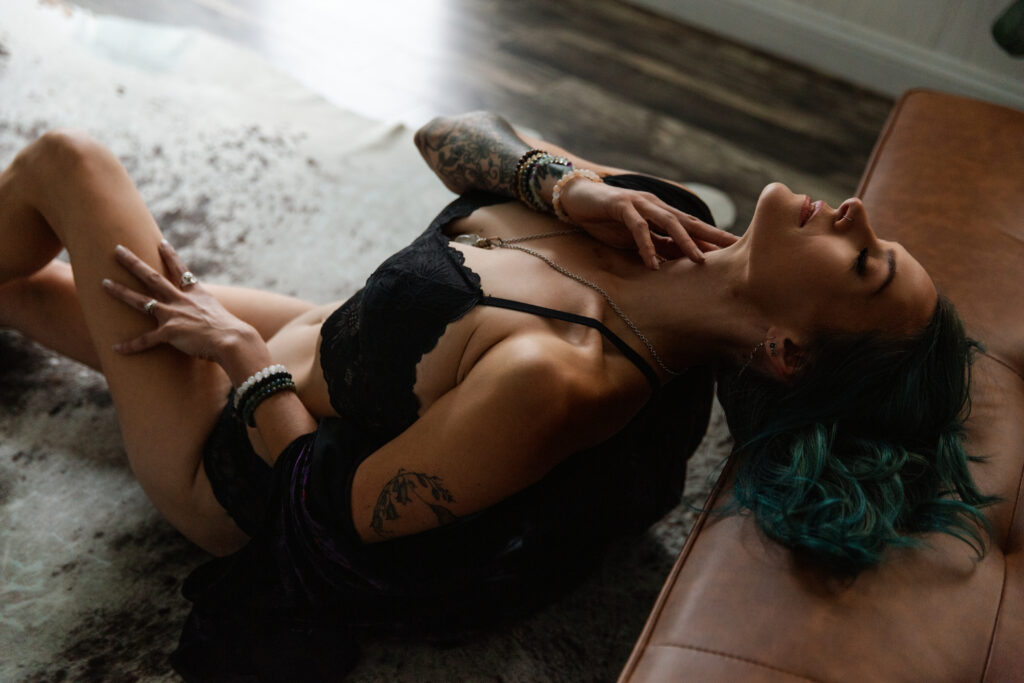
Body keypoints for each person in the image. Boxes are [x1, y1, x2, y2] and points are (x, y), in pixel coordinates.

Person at [0, 111, 994, 679]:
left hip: (236, 458)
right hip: (329, 336)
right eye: (879, 239)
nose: (855, 212)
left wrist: (237, 356)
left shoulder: (558, 376)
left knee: (66, 163)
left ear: (785, 351)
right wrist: (562, 185)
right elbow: (448, 134)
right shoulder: (668, 216)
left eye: (864, 263)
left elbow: (335, 515)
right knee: (25, 287)